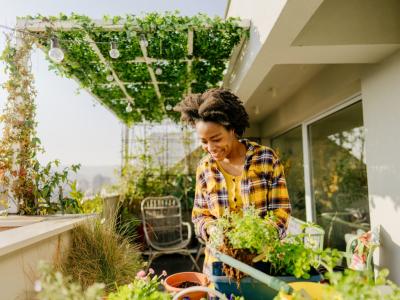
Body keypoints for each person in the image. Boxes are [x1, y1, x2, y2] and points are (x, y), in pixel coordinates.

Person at [174, 88, 291, 276]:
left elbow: (281, 212)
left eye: (216, 139)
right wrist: (212, 230)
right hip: (220, 264)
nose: (210, 147)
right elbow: (200, 216)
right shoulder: (205, 168)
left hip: (261, 263)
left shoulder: (266, 159)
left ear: (233, 129)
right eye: (203, 141)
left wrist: (255, 239)